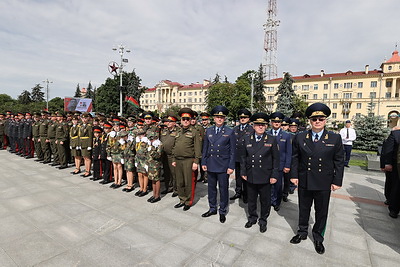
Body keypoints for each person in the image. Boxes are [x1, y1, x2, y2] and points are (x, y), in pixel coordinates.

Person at [290, 102, 344, 255]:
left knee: (321, 211)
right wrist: (293, 175)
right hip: (304, 179)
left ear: (325, 120)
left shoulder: (334, 138)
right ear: (310, 121)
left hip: (323, 181)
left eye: (321, 118)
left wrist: (337, 181)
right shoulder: (300, 137)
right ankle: (302, 232)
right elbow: (295, 158)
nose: (318, 122)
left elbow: (339, 161)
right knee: (304, 208)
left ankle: (318, 237)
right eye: (314, 119)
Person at [241, 113, 279, 233]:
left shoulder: (271, 139)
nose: (260, 127)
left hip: (265, 175)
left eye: (263, 125)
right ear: (253, 126)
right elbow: (243, 157)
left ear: (266, 126)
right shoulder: (247, 139)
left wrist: (274, 175)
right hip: (251, 174)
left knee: (265, 200)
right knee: (251, 199)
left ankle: (263, 220)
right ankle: (252, 218)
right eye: (258, 125)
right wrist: (243, 172)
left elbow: (276, 159)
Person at [201, 105, 236, 223]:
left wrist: (231, 166)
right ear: (214, 118)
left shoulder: (230, 131)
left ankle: (222, 211)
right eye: (217, 117)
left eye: (221, 117)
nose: (219, 119)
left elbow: (233, 151)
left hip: (223, 165)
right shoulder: (209, 130)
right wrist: (204, 161)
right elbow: (205, 148)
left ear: (224, 118)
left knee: (223, 189)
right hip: (211, 164)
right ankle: (212, 208)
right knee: (211, 189)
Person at [171, 108, 202, 211]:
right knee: (179, 181)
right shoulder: (178, 131)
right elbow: (175, 146)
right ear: (181, 120)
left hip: (189, 160)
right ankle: (182, 199)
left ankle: (188, 201)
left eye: (187, 119)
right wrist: (174, 159)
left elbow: (198, 148)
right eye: (183, 119)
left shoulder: (194, 132)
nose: (185, 121)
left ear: (190, 120)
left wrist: (196, 162)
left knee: (189, 182)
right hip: (178, 160)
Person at [268, 112, 292, 211]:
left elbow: (289, 152)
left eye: (278, 121)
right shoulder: (266, 134)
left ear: (281, 123)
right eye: (274, 121)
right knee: (269, 184)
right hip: (268, 164)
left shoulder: (286, 135)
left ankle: (277, 202)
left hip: (280, 164)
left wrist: (287, 165)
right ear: (271, 122)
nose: (276, 123)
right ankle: (269, 200)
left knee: (278, 185)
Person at [230, 108, 253, 203]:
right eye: (241, 117)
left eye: (245, 117)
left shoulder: (251, 129)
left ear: (248, 119)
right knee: (238, 176)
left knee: (245, 176)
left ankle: (246, 194)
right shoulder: (235, 129)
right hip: (237, 157)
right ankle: (238, 192)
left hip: (246, 157)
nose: (243, 119)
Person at [380, 128, 400, 218]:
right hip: (395, 165)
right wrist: (387, 163)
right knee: (395, 186)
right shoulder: (395, 134)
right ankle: (394, 209)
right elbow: (388, 150)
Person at [160, 115, 179, 196]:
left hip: (172, 155)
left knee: (174, 173)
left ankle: (176, 189)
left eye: (170, 121)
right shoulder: (164, 131)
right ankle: (168, 187)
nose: (168, 123)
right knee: (166, 172)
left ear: (174, 123)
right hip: (164, 155)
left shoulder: (178, 131)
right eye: (167, 121)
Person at [147, 131, 163, 203]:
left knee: (156, 179)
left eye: (151, 139)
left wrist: (152, 150)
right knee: (152, 179)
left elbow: (158, 155)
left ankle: (157, 195)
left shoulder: (159, 144)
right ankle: (154, 194)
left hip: (156, 164)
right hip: (150, 164)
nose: (150, 140)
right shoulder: (151, 144)